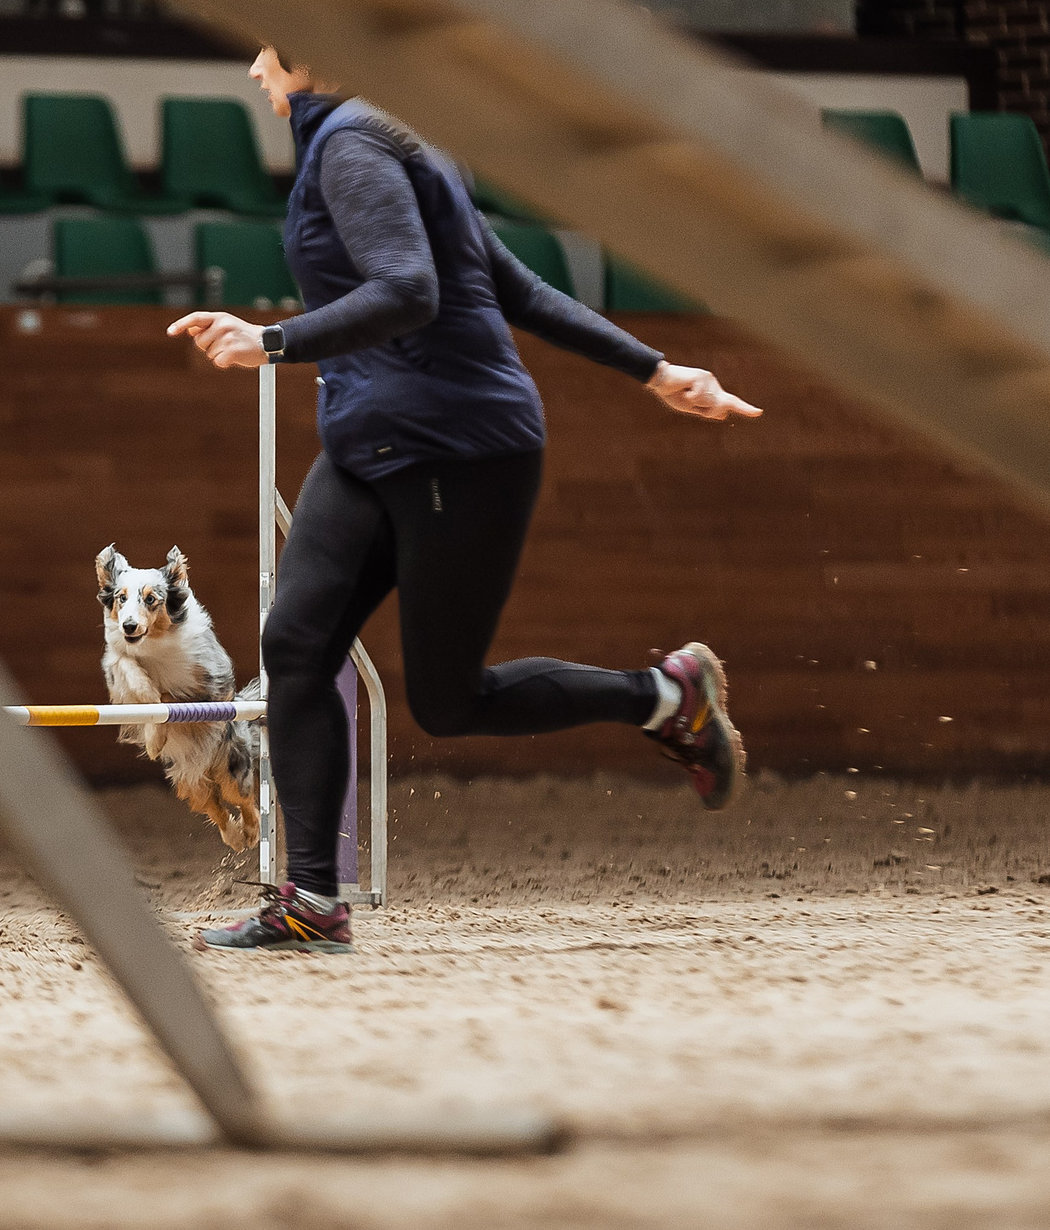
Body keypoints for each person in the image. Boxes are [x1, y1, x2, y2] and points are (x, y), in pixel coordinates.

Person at [169, 46, 762, 954]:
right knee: (295, 641)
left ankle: (665, 696)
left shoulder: (354, 149)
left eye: (266, 50)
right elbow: (513, 287)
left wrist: (275, 340)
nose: (254, 68)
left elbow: (411, 292)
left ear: (314, 56)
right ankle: (311, 902)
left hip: (457, 447)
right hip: (368, 442)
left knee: (450, 701)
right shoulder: (386, 136)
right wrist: (655, 368)